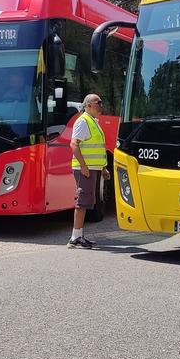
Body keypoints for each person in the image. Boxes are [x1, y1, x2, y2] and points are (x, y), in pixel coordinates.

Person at [68, 93, 110, 249]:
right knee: (82, 202)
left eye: (101, 102)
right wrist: (83, 166)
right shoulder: (83, 121)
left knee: (86, 202)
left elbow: (98, 149)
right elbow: (73, 144)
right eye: (97, 102)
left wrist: (103, 168)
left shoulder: (93, 121)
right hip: (84, 169)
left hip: (93, 168)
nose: (101, 105)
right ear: (88, 105)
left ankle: (79, 236)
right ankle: (75, 238)